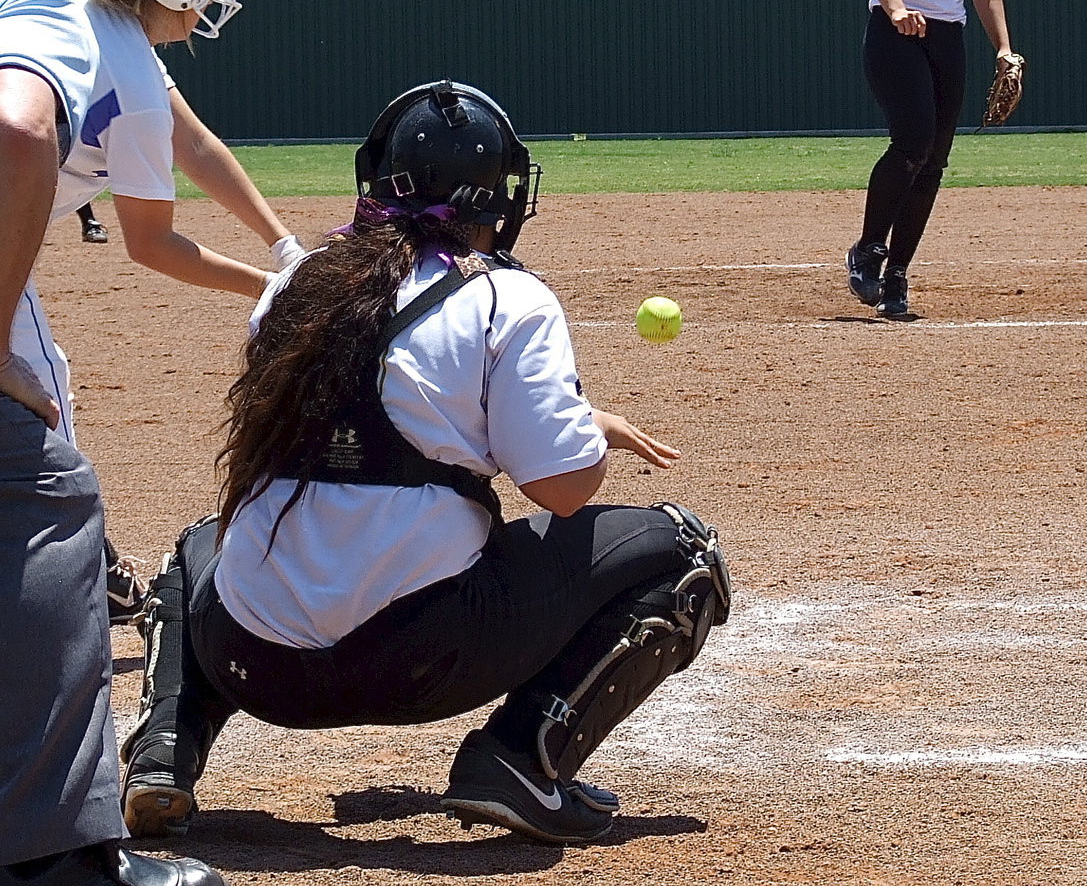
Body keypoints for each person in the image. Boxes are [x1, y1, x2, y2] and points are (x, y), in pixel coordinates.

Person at [120, 79, 731, 846]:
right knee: (684, 554)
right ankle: (521, 761)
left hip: (254, 660)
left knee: (200, 544)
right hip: (422, 661)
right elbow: (563, 489)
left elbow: (354, 423)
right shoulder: (509, 298)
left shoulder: (292, 287)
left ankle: (164, 753)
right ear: (492, 197)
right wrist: (581, 427)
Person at [0, 0, 223, 886]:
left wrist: (278, 249)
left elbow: (186, 136)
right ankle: (55, 851)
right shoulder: (43, 10)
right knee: (49, 510)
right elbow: (18, 131)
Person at [10, 0, 305, 624]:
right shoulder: (133, 76)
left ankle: (77, 555)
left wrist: (285, 246)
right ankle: (66, 564)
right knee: (41, 393)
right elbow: (153, 244)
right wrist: (264, 290)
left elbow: (197, 146)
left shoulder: (78, 8)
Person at [846, 0, 1018, 319]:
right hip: (897, 32)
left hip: (948, 35)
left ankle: (897, 276)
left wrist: (1005, 48)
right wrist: (897, 8)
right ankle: (868, 249)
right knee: (913, 142)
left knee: (935, 160)